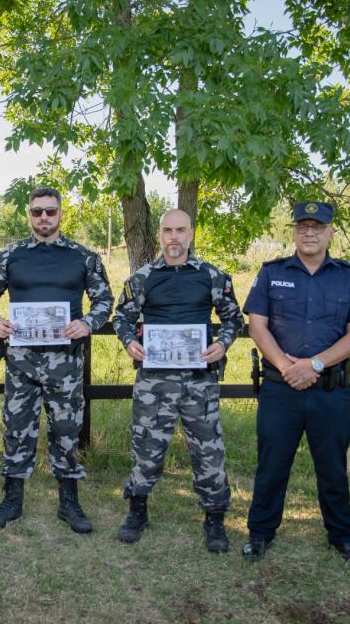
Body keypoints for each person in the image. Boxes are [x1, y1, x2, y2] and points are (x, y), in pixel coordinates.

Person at [241, 201, 350, 569]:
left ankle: (343, 537)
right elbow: (258, 326)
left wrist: (314, 365)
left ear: (331, 232)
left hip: (329, 391)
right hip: (280, 389)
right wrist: (288, 367)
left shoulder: (349, 276)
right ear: (295, 232)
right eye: (303, 226)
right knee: (272, 464)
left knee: (333, 467)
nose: (310, 233)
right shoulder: (271, 273)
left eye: (318, 227)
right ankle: (260, 532)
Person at [0, 186, 113, 533]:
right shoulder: (9, 257)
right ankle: (11, 500)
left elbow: (104, 300)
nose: (44, 218)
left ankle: (69, 503)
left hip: (65, 363)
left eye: (50, 211)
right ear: (29, 214)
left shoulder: (84, 257)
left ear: (61, 214)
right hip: (21, 362)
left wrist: (87, 323)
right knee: (17, 429)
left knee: (66, 431)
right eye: (37, 212)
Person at [111, 209, 242, 550]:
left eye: (180, 230)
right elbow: (121, 318)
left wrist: (221, 344)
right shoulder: (142, 278)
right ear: (159, 234)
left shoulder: (213, 276)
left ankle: (215, 519)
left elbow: (233, 319)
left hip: (199, 380)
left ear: (191, 233)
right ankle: (137, 511)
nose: (174, 237)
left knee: (208, 449)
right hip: (154, 381)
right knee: (146, 447)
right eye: (168, 230)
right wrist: (130, 342)